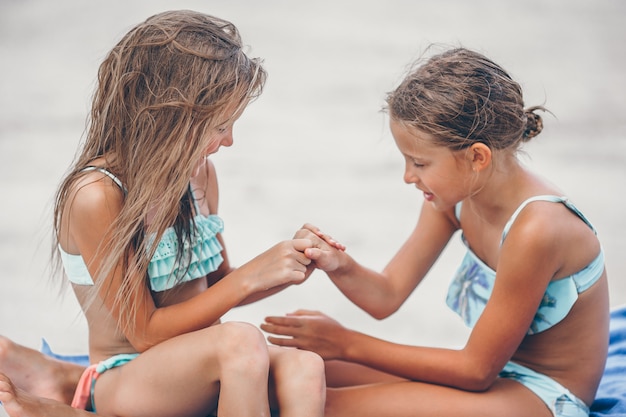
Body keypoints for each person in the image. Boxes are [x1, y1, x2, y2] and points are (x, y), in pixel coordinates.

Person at [0, 10, 326, 417]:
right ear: (165, 117)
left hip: (208, 364)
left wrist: (287, 268)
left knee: (306, 366)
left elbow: (219, 286)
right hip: (128, 376)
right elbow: (144, 334)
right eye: (219, 126)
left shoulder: (199, 177)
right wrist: (250, 276)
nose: (229, 141)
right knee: (241, 343)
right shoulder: (97, 194)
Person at [261, 47, 610, 417]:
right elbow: (387, 295)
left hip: (542, 395)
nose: (408, 177)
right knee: (291, 369)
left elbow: (475, 370)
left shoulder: (536, 229)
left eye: (420, 162)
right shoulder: (454, 198)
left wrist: (346, 343)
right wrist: (339, 264)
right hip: (495, 377)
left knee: (321, 402)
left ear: (478, 157)